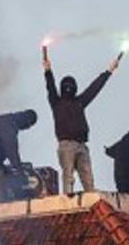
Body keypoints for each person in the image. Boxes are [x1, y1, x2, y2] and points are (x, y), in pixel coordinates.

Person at [43, 46, 121, 195]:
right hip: (66, 144)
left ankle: (91, 201)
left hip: (82, 145)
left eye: (71, 85)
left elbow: (95, 88)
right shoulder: (56, 102)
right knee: (68, 178)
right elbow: (50, 86)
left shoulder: (80, 102)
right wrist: (47, 70)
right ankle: (68, 203)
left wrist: (109, 71)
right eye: (67, 85)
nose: (69, 88)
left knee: (88, 179)